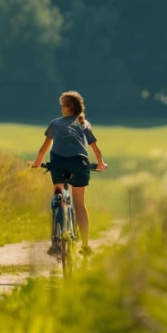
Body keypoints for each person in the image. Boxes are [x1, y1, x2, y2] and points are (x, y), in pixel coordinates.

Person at [30, 91, 108, 254]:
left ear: (66, 107)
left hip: (58, 163)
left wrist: (37, 162)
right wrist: (100, 163)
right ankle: (85, 245)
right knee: (79, 204)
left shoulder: (55, 123)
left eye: (61, 106)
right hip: (80, 163)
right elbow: (95, 148)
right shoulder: (83, 123)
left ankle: (56, 238)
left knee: (58, 197)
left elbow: (45, 147)